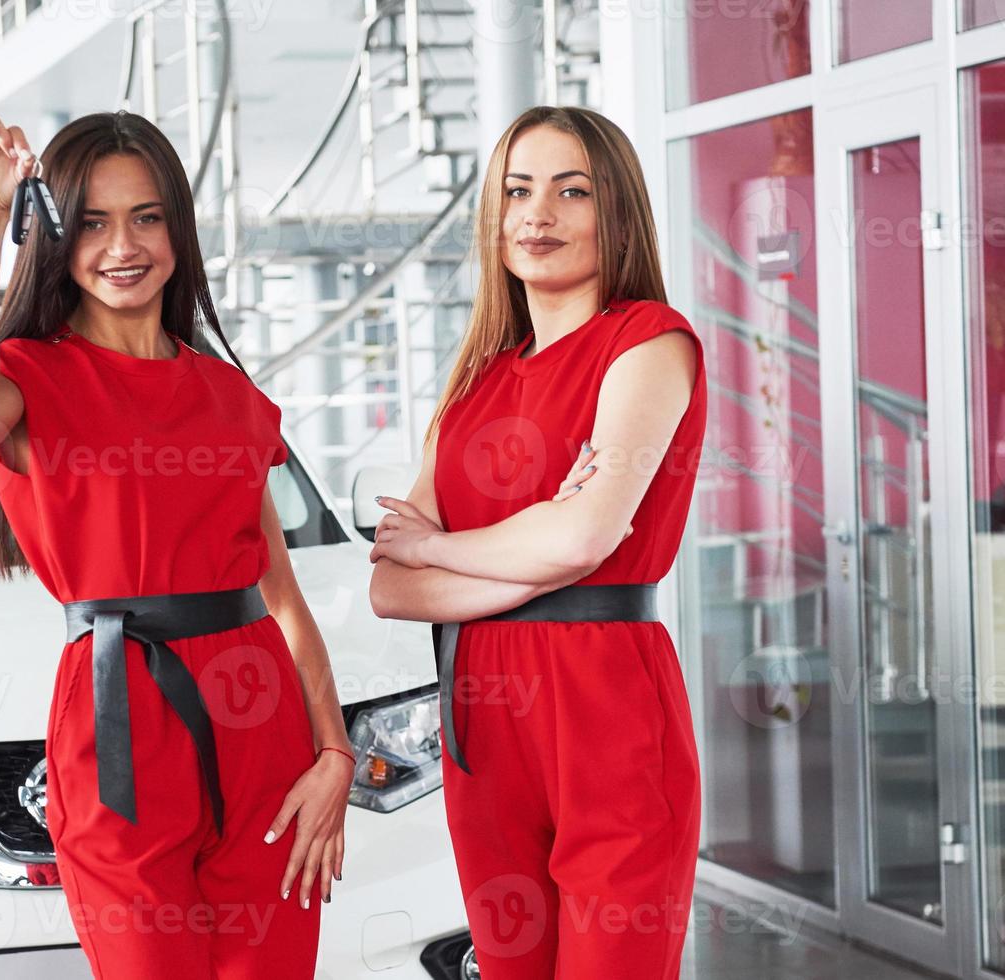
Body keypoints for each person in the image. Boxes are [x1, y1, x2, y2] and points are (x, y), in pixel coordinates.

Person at [0, 108, 355, 980]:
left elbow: (279, 596)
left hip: (259, 715)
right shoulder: (29, 377)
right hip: (118, 715)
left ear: (177, 230)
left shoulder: (229, 394)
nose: (121, 246)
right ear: (54, 235)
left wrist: (335, 753)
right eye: (91, 221)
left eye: (146, 217)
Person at [367, 105, 707, 979]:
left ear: (616, 210)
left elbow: (585, 536)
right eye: (518, 190)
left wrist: (440, 547)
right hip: (483, 718)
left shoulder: (647, 341)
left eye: (571, 190)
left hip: (606, 706)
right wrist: (539, 546)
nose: (537, 214)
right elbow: (390, 589)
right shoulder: (476, 380)